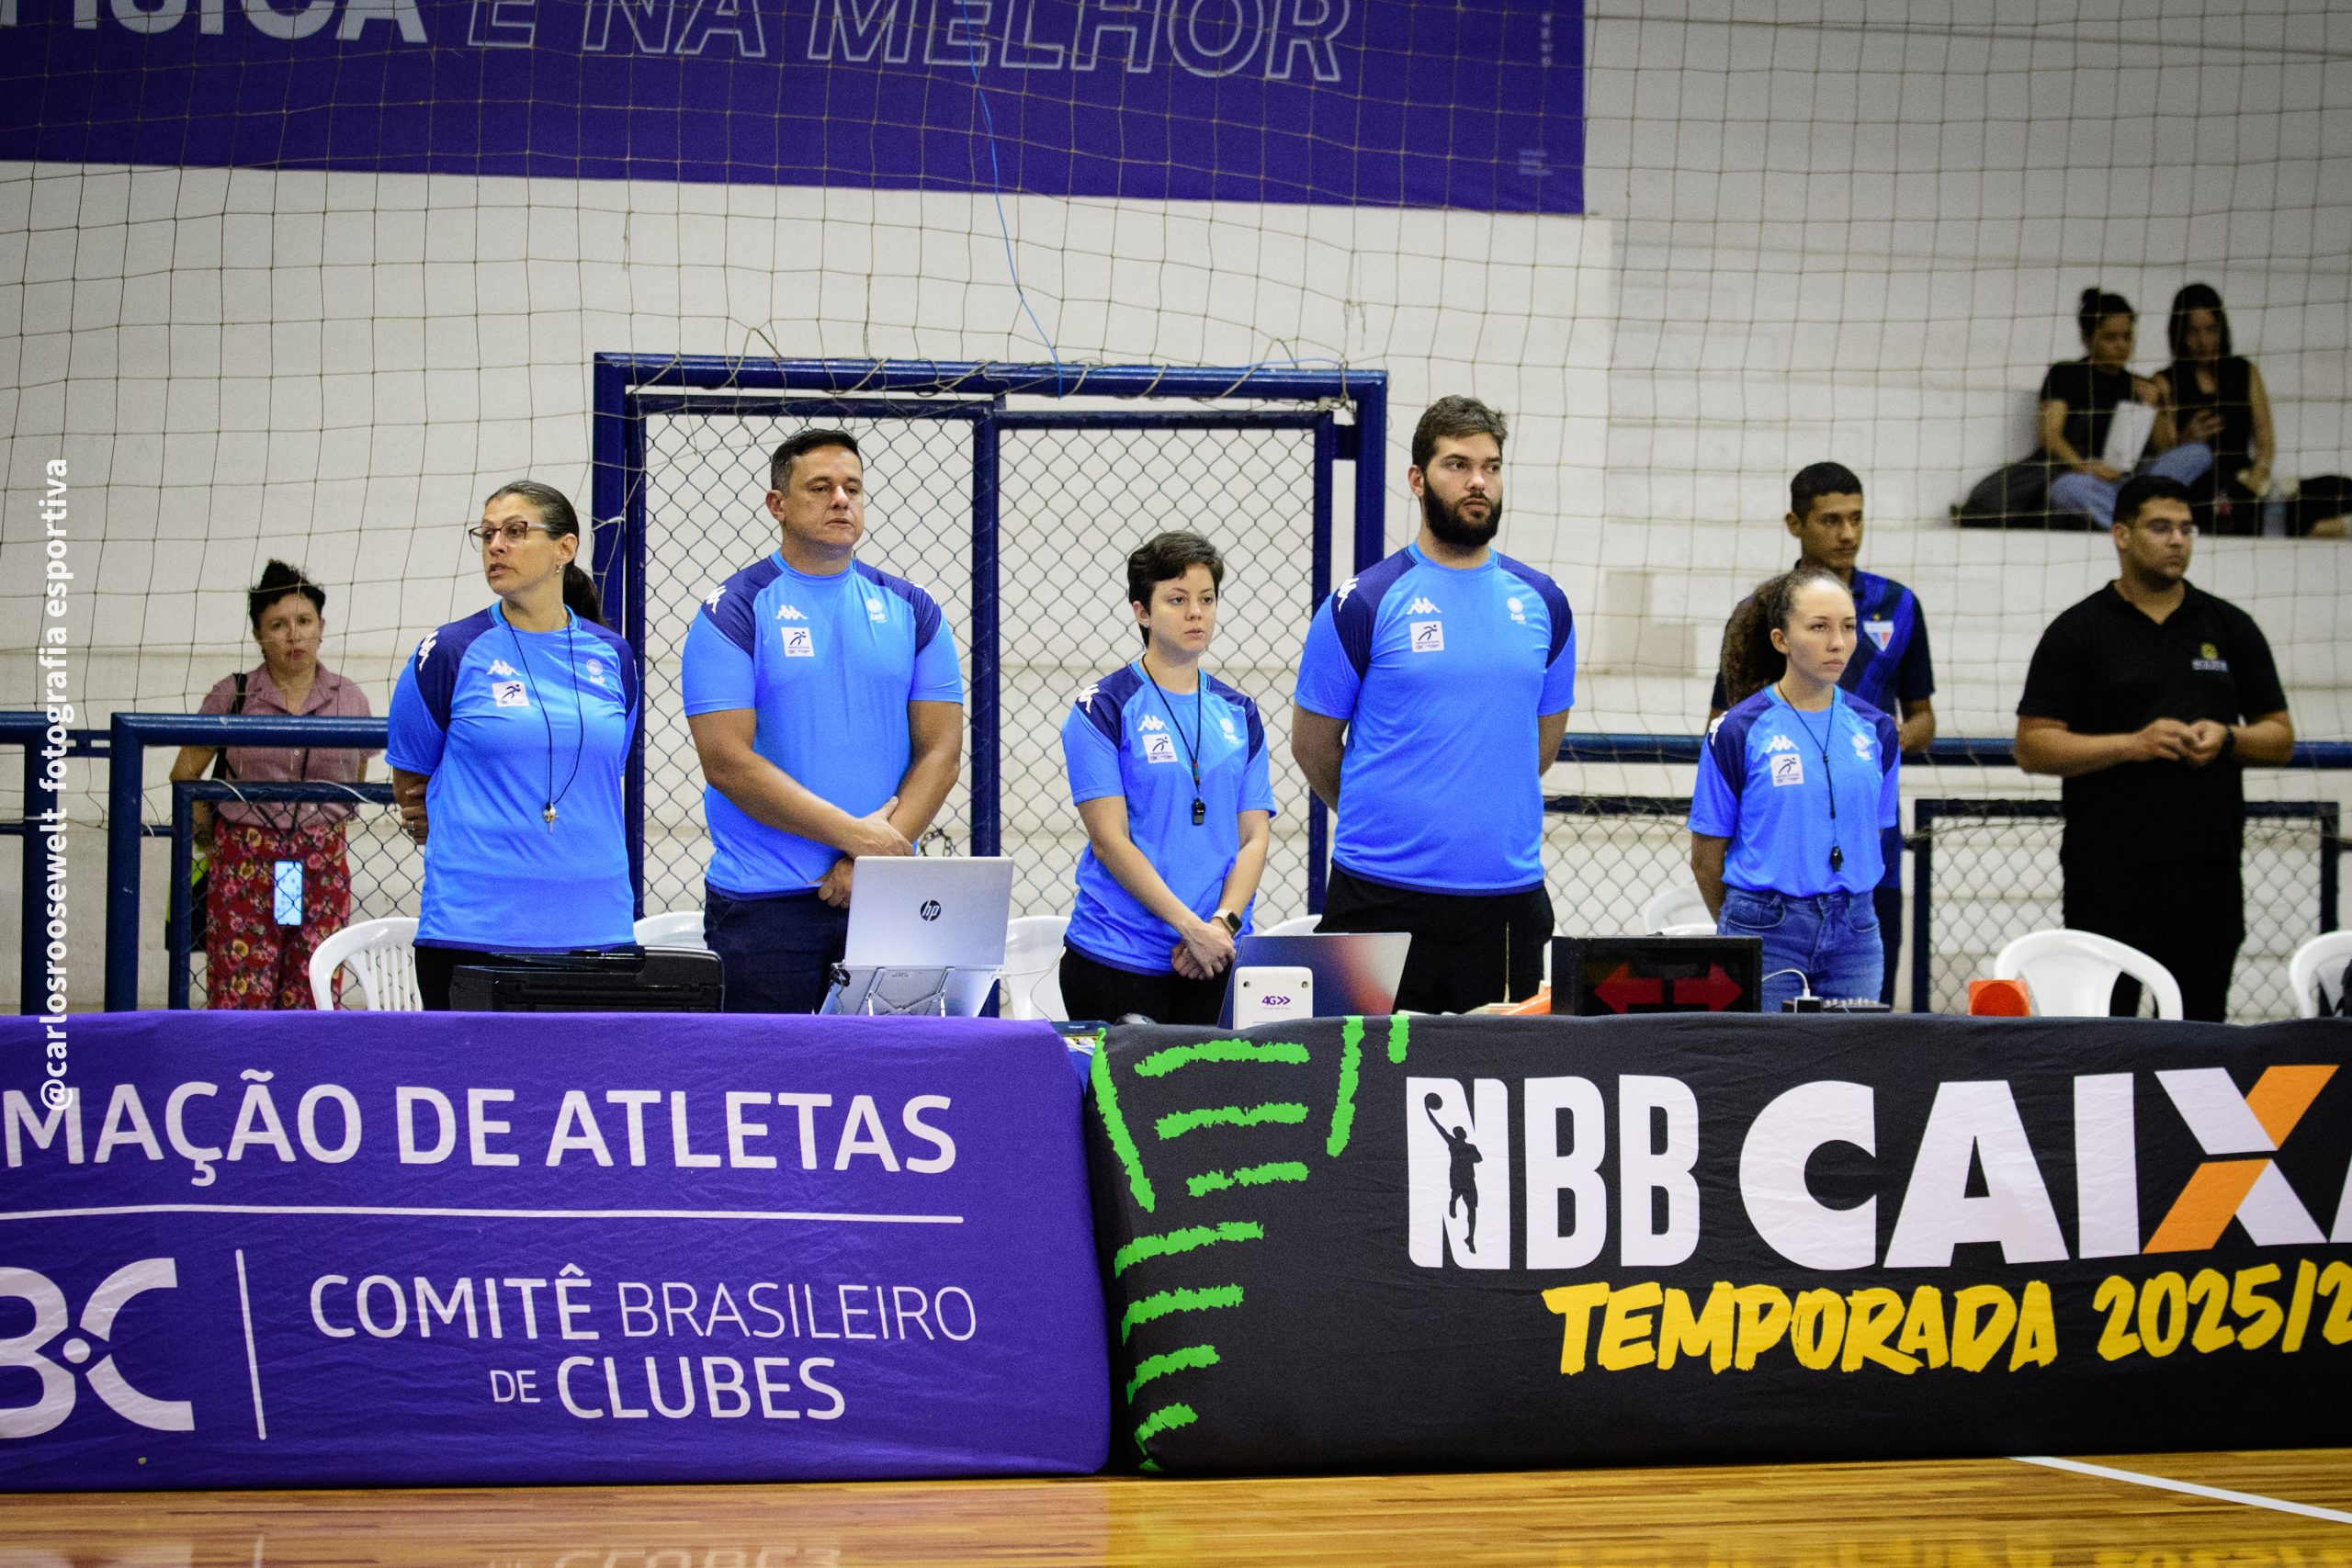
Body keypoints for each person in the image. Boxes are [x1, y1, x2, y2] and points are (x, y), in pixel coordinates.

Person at [1291, 395, 1576, 1013]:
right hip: (1378, 896)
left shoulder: (1544, 602)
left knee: (1501, 1073)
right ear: (1417, 479)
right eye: (1457, 464)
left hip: (1505, 900)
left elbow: (1540, 745)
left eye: (1491, 466)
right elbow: (1312, 746)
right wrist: (1390, 816)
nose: (1478, 482)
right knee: (1365, 1073)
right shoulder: (1362, 604)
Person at [682, 429, 964, 1013]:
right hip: (765, 902)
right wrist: (856, 838)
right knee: (767, 1072)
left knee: (887, 1070)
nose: (841, 500)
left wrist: (871, 859)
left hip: (883, 895)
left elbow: (941, 752)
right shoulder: (732, 610)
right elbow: (727, 762)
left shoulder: (914, 608)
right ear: (777, 504)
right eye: (820, 487)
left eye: (852, 488)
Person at [2015, 473, 2294, 1021]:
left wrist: (2229, 737)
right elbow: (2033, 746)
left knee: (2200, 1034)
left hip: (2207, 871)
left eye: (2187, 529)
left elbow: (2280, 736)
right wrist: (2132, 745)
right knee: (2108, 1038)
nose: (2177, 540)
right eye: (2161, 527)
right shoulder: (2079, 630)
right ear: (2121, 534)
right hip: (2108, 874)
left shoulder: (2229, 626)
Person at [388, 481, 640, 1010]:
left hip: (595, 925)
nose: (496, 545)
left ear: (564, 549)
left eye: (516, 531)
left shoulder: (613, 656)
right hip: (473, 930)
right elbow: (412, 782)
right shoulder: (448, 651)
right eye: (487, 534)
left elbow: (600, 776)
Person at [1706, 463, 1933, 1005]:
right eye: (1831, 520)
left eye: (1857, 518)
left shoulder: (1899, 604)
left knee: (1863, 1034)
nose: (1847, 533)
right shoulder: (1756, 612)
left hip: (1862, 875)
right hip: (1776, 874)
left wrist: (1871, 747)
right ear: (1795, 524)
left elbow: (1923, 718)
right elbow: (1722, 718)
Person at [1058, 532, 1274, 1025]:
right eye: (1177, 600)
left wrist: (1221, 924)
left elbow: (1254, 837)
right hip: (1119, 955)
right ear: (1142, 612)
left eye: (1207, 599)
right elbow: (1110, 841)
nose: (1196, 613)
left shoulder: (1239, 712)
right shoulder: (1103, 709)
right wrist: (1188, 927)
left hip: (1215, 955)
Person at [1691, 566, 1900, 1013]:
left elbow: (1873, 833)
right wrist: (1744, 929)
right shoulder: (1736, 730)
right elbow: (1706, 858)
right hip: (1764, 927)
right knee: (1766, 1055)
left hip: (1857, 931)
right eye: (1819, 627)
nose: (1838, 642)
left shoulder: (1877, 729)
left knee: (1854, 1056)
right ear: (1781, 640)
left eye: (1848, 627)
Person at [168, 560, 376, 1010]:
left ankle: (303, 1059)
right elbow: (184, 772)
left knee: (313, 985)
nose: (294, 635)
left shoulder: (349, 698)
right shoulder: (233, 694)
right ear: (259, 635)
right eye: (278, 625)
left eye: (304, 621)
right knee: (242, 989)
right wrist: (210, 837)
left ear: (322, 626)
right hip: (245, 858)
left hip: (321, 859)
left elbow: (356, 775)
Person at [2041, 288, 2213, 528]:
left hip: (2132, 483)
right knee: (2065, 488)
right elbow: (2049, 434)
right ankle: (2137, 525)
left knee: (2198, 453)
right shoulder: (2066, 374)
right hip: (2085, 477)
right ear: (2088, 338)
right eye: (2111, 338)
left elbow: (2162, 450)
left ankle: (2133, 516)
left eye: (2127, 337)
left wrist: (2154, 405)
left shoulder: (2139, 385)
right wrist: (2084, 467)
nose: (2121, 345)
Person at [2153, 283, 2278, 536]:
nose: (2203, 341)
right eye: (2193, 332)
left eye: (2211, 330)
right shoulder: (2165, 381)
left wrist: (2256, 478)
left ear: (2222, 330)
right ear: (2179, 334)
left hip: (2242, 480)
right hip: (2196, 487)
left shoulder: (2244, 372)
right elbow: (2162, 458)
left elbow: (2265, 440)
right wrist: (2187, 438)